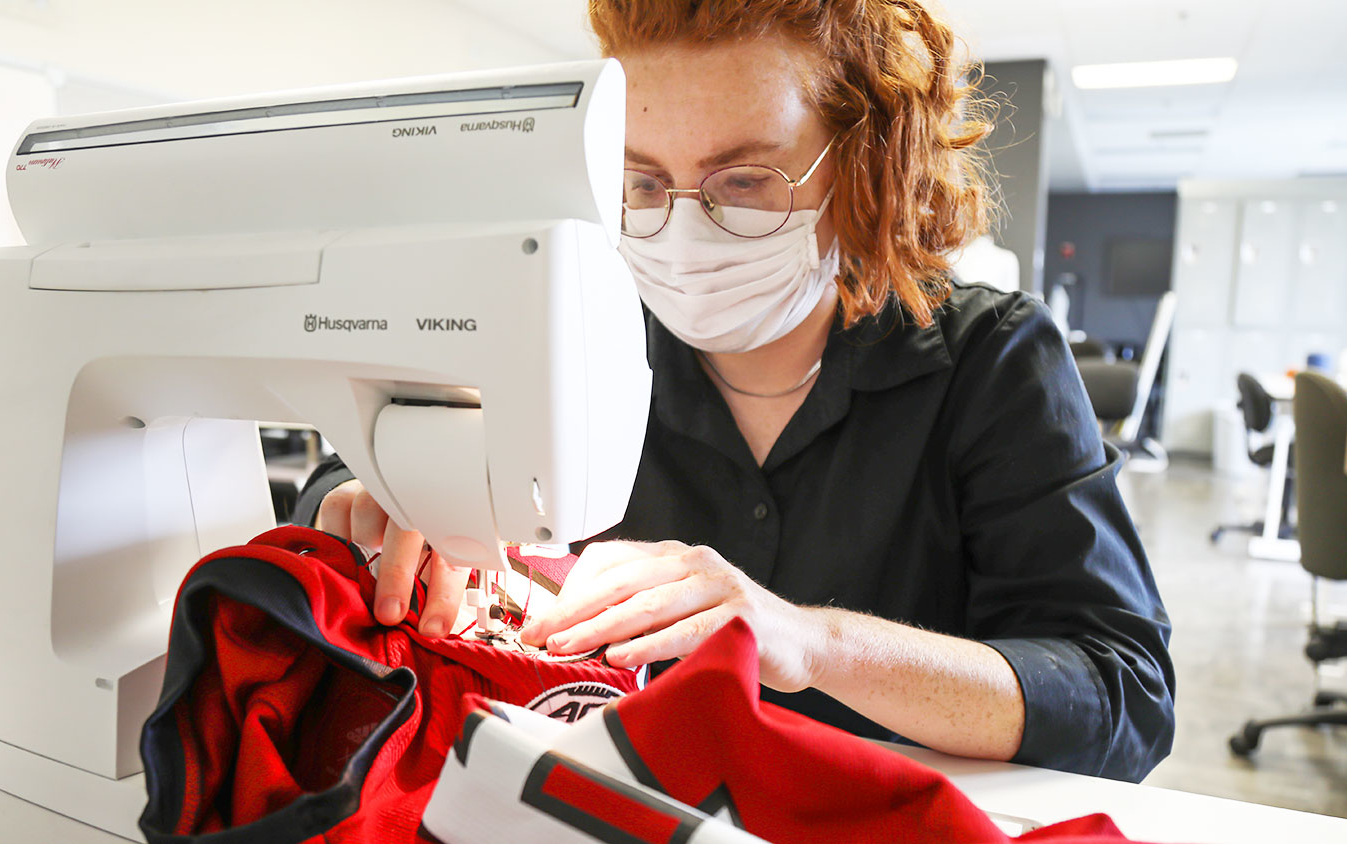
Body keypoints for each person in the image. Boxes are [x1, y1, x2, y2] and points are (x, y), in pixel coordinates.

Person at [294, 0, 1175, 782]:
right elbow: (344, 484)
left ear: (863, 165)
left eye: (744, 182)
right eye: (641, 181)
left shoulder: (992, 361)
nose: (681, 230)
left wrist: (809, 641)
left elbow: (1121, 694)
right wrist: (377, 497)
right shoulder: (561, 330)